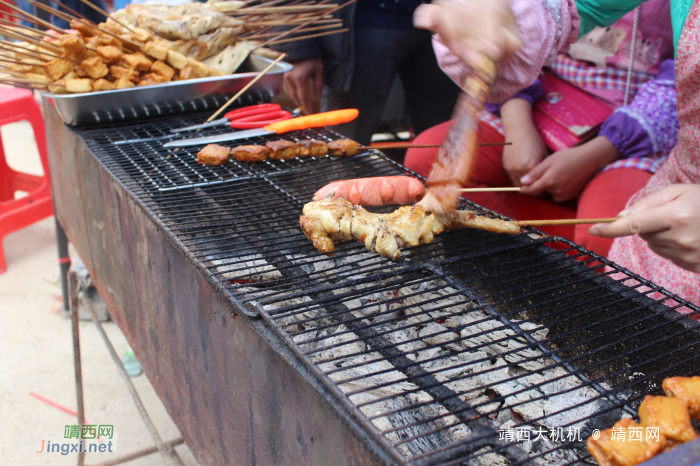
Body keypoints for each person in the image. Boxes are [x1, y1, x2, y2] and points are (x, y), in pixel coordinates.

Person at [412, 0, 700, 304]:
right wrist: (508, 23)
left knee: (608, 231)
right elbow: (564, 7)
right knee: (425, 158)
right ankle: (517, 267)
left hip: (637, 128)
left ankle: (567, 286)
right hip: (544, 98)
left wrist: (601, 150)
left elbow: (675, 86)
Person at [273, 0, 461, 145]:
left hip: (446, 23)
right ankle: (332, 194)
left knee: (442, 142)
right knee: (343, 143)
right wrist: (295, 44)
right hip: (357, 25)